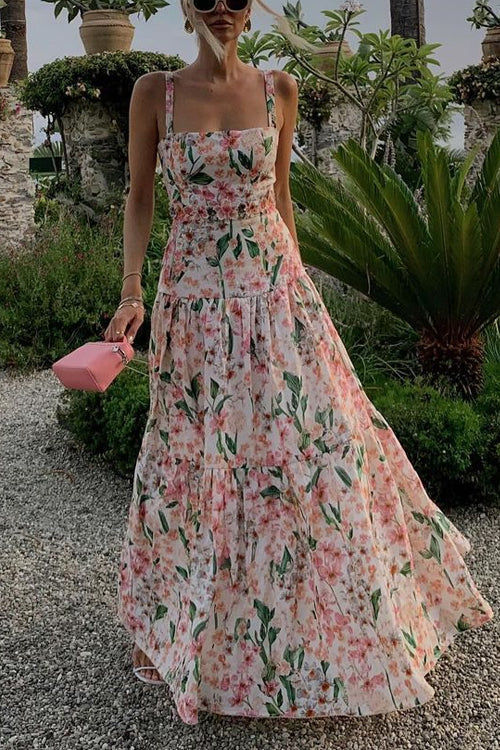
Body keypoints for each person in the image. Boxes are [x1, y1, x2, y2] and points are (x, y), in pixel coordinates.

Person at [105, 0, 494, 727]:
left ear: (251, 8)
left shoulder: (278, 88)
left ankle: (323, 630)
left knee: (320, 446)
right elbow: (140, 196)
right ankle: (190, 630)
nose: (222, 8)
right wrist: (131, 293)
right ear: (186, 6)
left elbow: (281, 197)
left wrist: (304, 294)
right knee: (193, 458)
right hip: (193, 303)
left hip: (277, 295)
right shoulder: (154, 92)